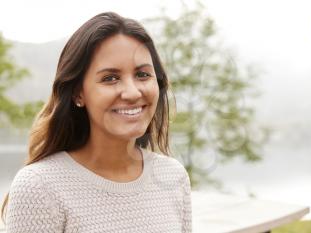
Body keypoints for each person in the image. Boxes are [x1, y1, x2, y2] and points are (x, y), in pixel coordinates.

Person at [1, 12, 192, 232]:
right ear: (78, 94)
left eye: (142, 74)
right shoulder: (40, 188)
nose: (132, 92)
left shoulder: (173, 176)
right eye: (110, 78)